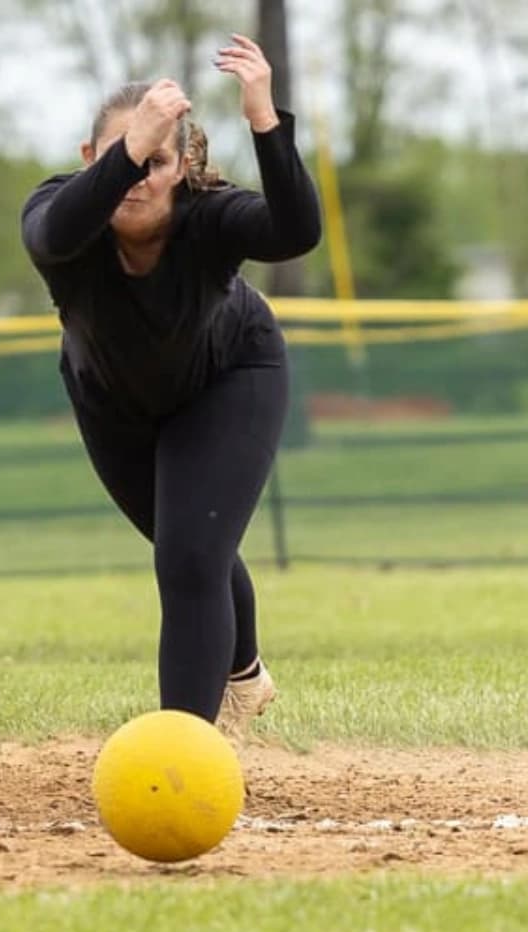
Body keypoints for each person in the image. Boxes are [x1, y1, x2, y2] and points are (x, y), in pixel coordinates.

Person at [19, 35, 320, 744]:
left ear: (182, 166)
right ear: (89, 159)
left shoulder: (207, 217)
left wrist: (265, 122)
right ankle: (245, 675)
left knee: (189, 557)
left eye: (155, 160)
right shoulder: (60, 212)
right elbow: (54, 236)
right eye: (122, 158)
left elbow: (295, 230)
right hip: (112, 403)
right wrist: (135, 142)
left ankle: (184, 747)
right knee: (190, 547)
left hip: (230, 378)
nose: (138, 176)